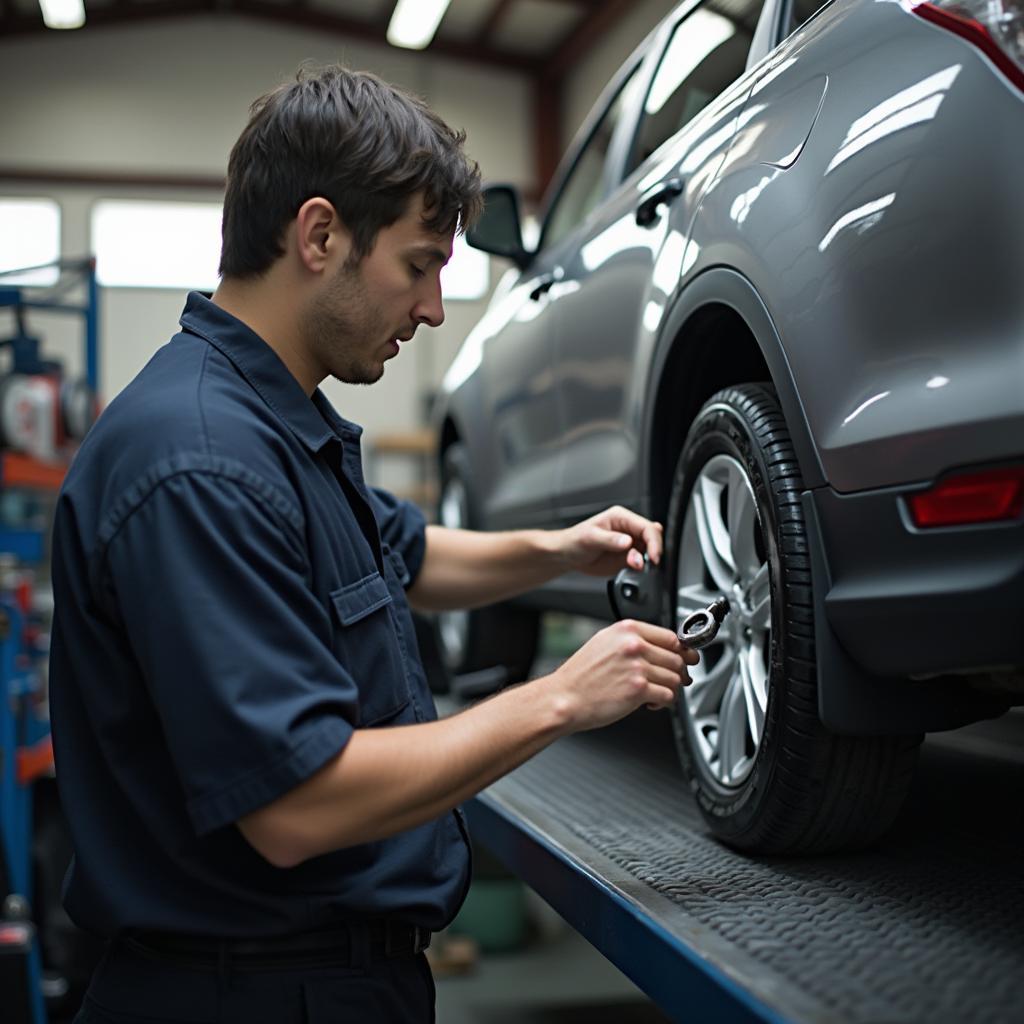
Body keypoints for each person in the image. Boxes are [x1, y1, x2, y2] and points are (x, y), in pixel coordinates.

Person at [48, 65, 696, 1024]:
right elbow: (298, 806)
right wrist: (562, 695)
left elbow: (410, 555)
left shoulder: (275, 422)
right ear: (319, 236)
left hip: (316, 978)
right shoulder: (199, 462)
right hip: (249, 994)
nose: (433, 308)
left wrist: (559, 551)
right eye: (420, 265)